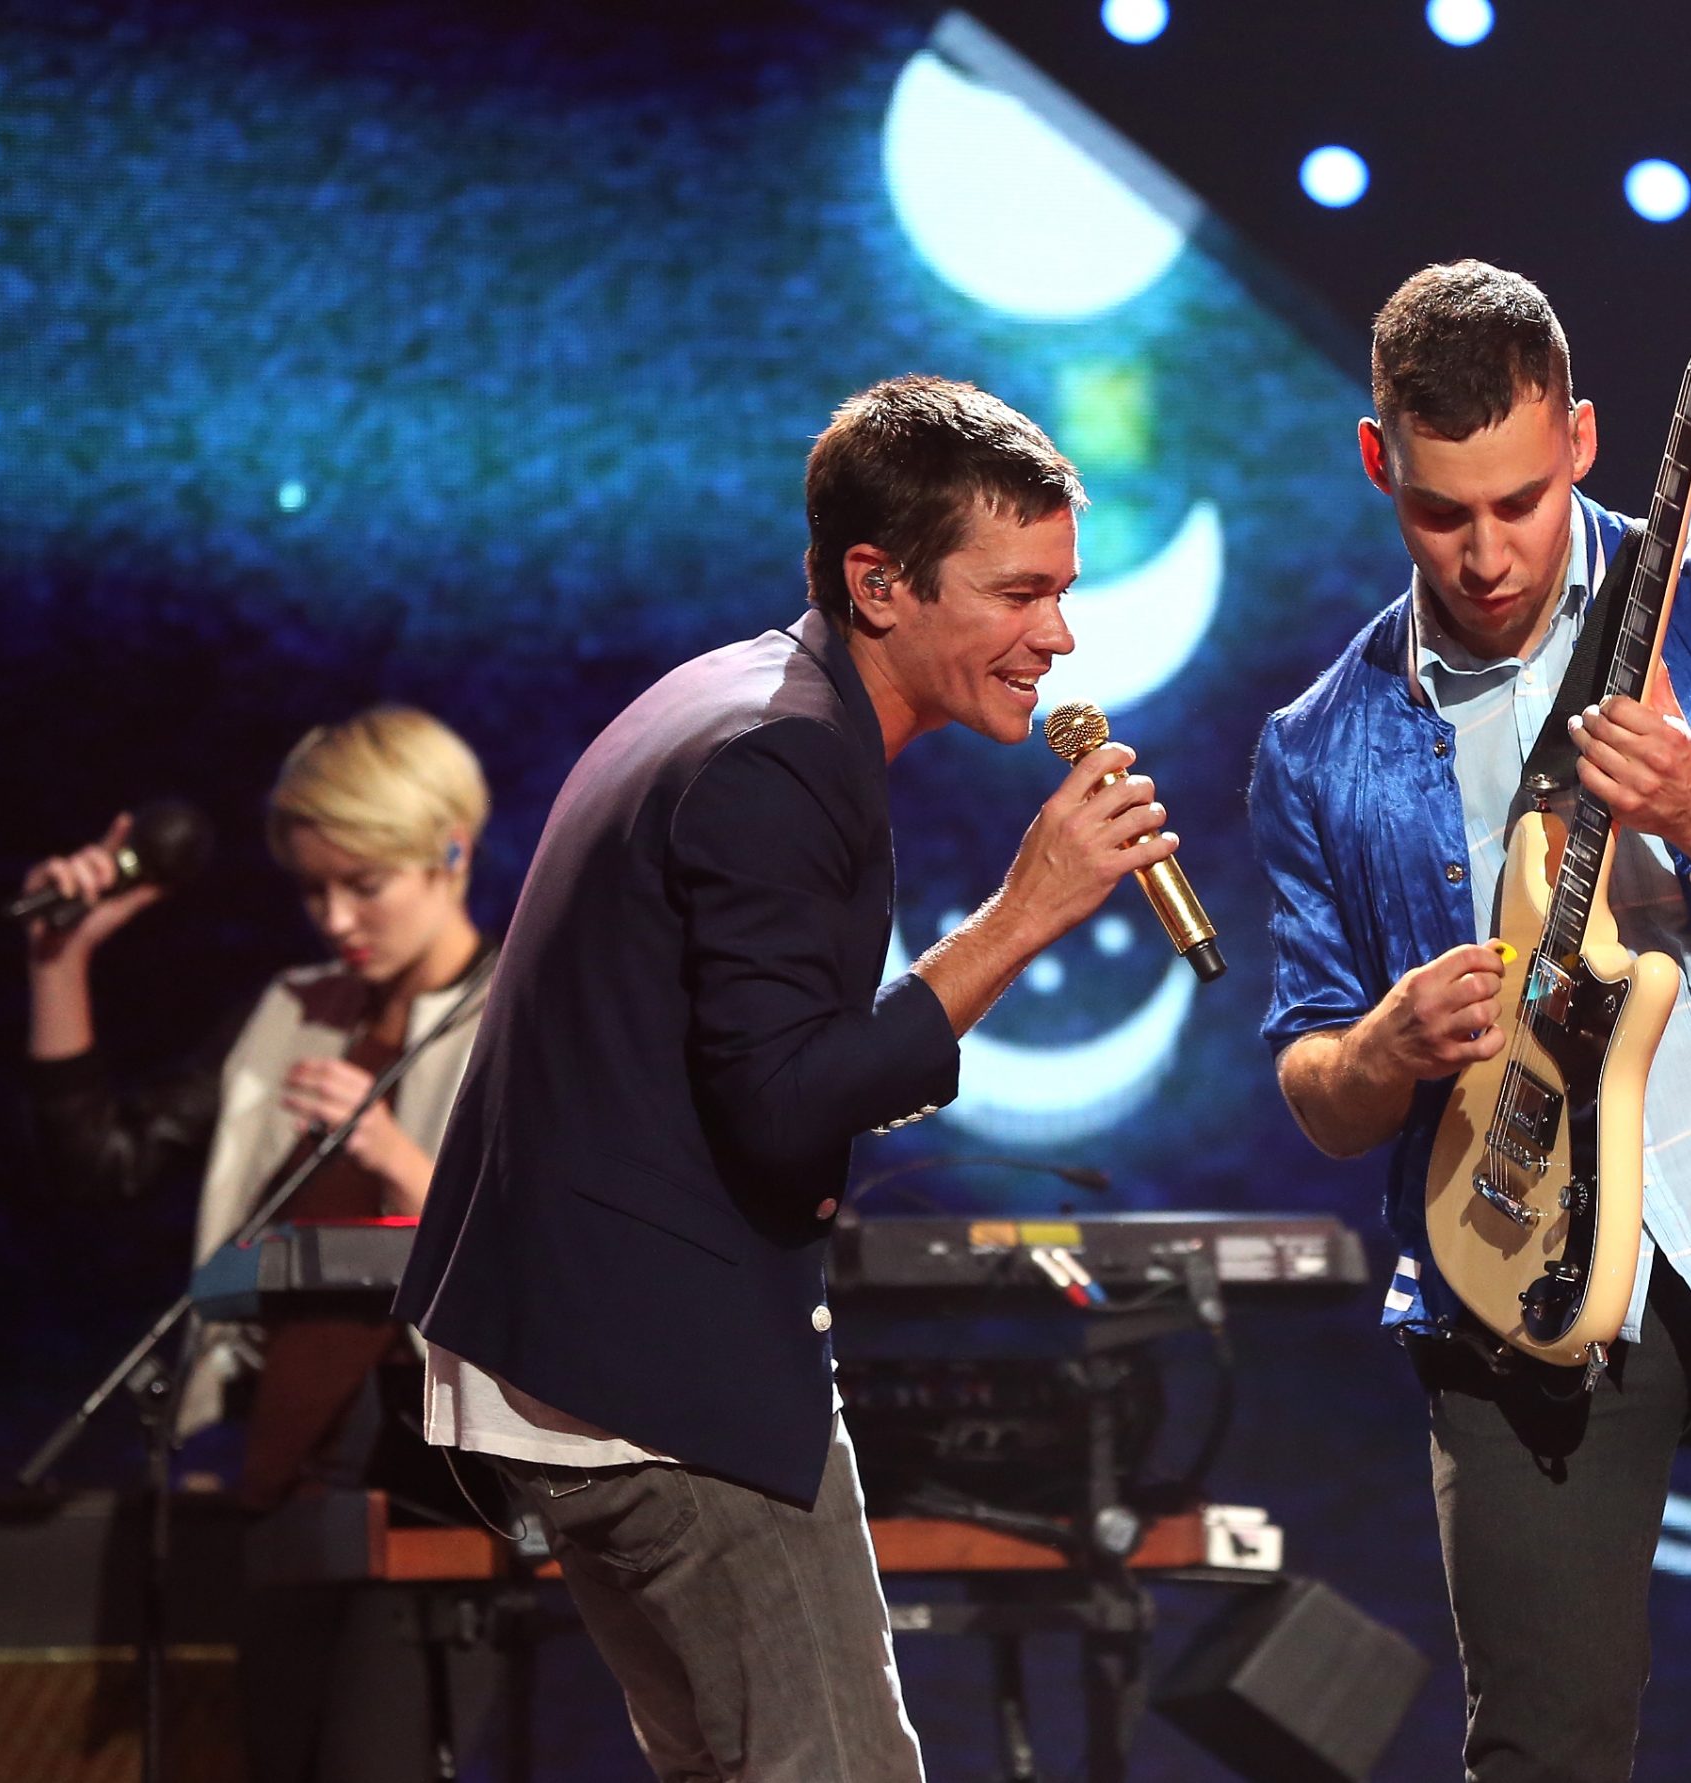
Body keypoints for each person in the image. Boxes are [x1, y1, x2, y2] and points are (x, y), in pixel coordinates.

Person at [395, 373, 1175, 1782]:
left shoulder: (744, 699)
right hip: (656, 1377)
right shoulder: (783, 755)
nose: (1057, 635)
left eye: (1061, 592)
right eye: (1017, 593)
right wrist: (1020, 917)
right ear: (878, 583)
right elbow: (783, 1103)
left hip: (581, 1356)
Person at [1249, 261, 1691, 1781]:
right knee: (1548, 1737)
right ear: (1378, 462)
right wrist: (1385, 1044)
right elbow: (1313, 1078)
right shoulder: (1319, 747)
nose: (1486, 552)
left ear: (1580, 437)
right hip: (1511, 1252)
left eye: (1519, 500)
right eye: (1441, 511)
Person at [23, 705, 498, 1782]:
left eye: (364, 884)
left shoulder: (519, 1013)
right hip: (287, 1475)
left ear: (451, 850)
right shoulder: (293, 1013)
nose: (337, 919)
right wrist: (60, 962)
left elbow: (558, 1249)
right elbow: (105, 1164)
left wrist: (393, 1156)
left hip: (432, 1481)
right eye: (314, 890)